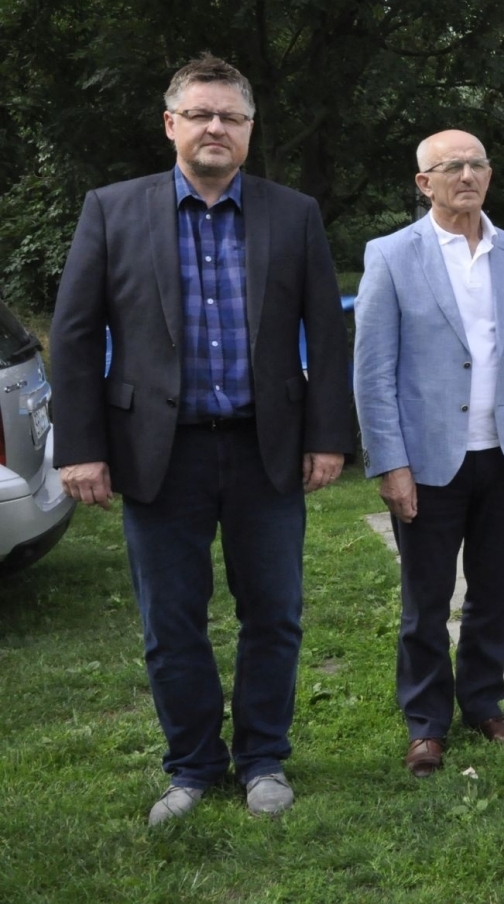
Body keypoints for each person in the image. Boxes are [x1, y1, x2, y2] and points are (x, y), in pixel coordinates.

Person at [50, 54, 352, 824]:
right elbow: (76, 338)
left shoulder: (294, 214)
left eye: (232, 117)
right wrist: (80, 447)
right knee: (171, 621)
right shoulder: (113, 211)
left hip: (266, 449)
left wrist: (328, 438)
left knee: (275, 614)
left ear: (250, 131)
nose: (216, 127)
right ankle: (190, 768)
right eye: (201, 114)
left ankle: (263, 761)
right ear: (171, 124)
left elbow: (327, 330)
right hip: (159, 455)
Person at [353, 130, 504, 776]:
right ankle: (426, 721)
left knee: (496, 591)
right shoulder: (392, 255)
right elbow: (372, 371)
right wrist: (391, 462)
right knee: (426, 596)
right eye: (452, 167)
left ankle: (483, 700)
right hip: (429, 459)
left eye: (477, 164)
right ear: (425, 183)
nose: (467, 175)